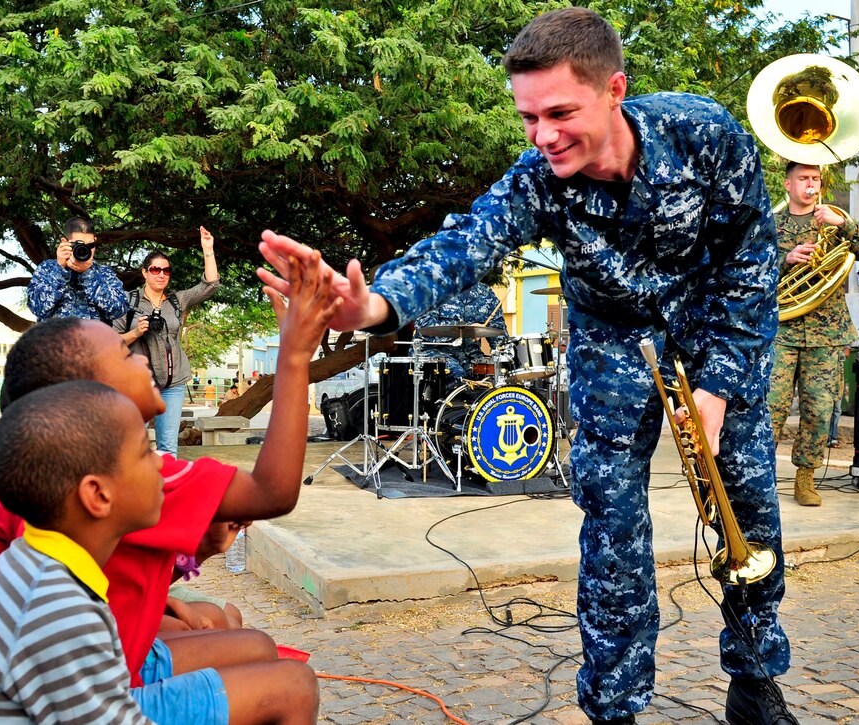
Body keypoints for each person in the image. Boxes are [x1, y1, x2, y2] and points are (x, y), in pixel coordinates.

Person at [257, 8, 795, 725]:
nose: (544, 135)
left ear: (614, 90)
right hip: (611, 344)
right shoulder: (539, 177)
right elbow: (465, 246)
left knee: (750, 508)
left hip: (714, 332)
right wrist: (375, 305)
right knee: (612, 528)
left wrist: (719, 386)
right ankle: (614, 705)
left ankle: (756, 679)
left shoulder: (705, 135)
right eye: (528, 118)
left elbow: (751, 263)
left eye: (561, 112)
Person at [0, 250, 335, 724]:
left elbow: (117, 585)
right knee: (292, 684)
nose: (140, 358)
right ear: (86, 397)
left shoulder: (53, 515)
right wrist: (295, 355)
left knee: (240, 635)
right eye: (123, 354)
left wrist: (197, 557)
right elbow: (273, 491)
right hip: (89, 690)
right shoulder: (54, 605)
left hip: (93, 675)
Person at [0, 382, 159, 723]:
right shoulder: (55, 606)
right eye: (146, 453)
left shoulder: (39, 565)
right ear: (98, 495)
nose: (162, 465)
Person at [767, 162, 859, 506]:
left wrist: (846, 224)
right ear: (788, 184)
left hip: (828, 332)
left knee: (819, 410)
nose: (811, 184)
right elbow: (750, 268)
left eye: (816, 178)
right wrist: (785, 259)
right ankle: (761, 479)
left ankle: (805, 479)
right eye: (803, 178)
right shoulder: (770, 225)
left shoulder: (835, 223)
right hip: (781, 330)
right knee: (771, 407)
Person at [115, 227, 219, 453]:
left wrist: (208, 250)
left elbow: (209, 286)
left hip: (173, 384)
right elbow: (111, 343)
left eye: (166, 270)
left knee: (168, 448)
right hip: (138, 384)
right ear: (144, 272)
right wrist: (135, 333)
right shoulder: (128, 302)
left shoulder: (176, 301)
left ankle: (165, 488)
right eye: (155, 269)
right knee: (133, 446)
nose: (161, 274)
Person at [27, 216, 128, 322]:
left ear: (95, 241)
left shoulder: (104, 272)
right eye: (78, 245)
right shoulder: (47, 269)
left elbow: (119, 310)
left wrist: (89, 275)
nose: (85, 249)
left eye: (90, 245)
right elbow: (38, 308)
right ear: (64, 242)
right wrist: (59, 269)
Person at [415, 281, 508, 381]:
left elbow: (499, 334)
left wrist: (505, 358)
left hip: (471, 357)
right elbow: (424, 326)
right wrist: (467, 330)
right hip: (434, 353)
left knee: (493, 380)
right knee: (457, 374)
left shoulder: (486, 293)